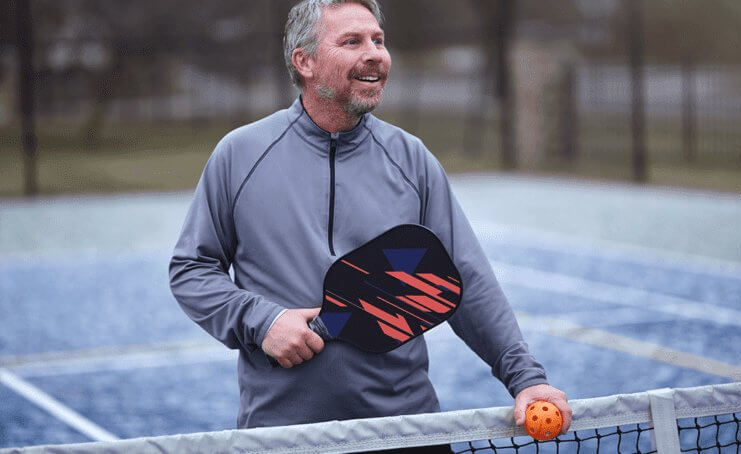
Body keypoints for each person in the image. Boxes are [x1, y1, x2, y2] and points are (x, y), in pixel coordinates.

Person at [169, 0, 571, 444]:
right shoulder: (239, 155)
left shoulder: (411, 159)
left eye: (378, 40)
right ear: (304, 61)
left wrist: (526, 378)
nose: (375, 53)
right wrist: (261, 321)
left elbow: (466, 280)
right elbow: (191, 270)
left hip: (405, 431)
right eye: (352, 41)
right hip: (281, 436)